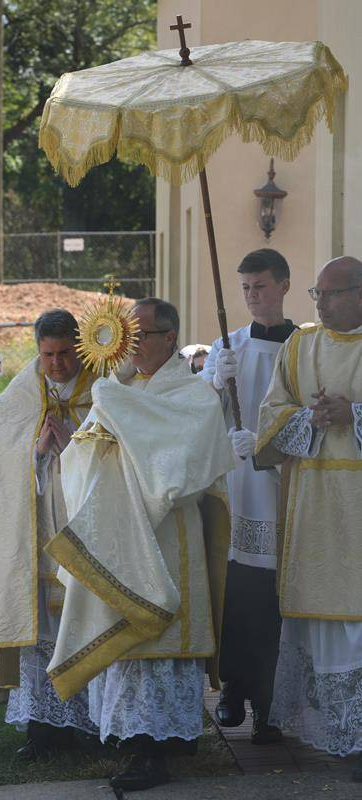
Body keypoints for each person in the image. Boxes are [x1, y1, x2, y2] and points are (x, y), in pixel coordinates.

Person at [45, 298, 234, 791]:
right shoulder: (121, 392)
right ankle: (138, 743)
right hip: (118, 534)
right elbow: (82, 456)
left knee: (161, 638)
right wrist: (97, 438)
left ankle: (159, 747)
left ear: (169, 338)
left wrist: (116, 408)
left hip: (169, 536)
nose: (132, 344)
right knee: (128, 633)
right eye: (127, 335)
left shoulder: (193, 394)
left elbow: (179, 468)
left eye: (141, 335)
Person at [0, 308, 98, 760]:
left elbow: (121, 451)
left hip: (86, 534)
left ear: (78, 347)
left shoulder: (101, 389)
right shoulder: (25, 390)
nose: (56, 363)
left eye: (64, 353)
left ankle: (96, 725)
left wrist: (75, 439)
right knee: (42, 632)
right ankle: (43, 730)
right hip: (37, 539)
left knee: (86, 627)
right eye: (47, 354)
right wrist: (36, 450)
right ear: (37, 350)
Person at [255, 256, 362, 781]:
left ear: (361, 293)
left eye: (332, 294)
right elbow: (270, 415)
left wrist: (356, 415)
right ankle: (341, 736)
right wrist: (309, 419)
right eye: (317, 295)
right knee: (327, 627)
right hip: (315, 508)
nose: (320, 304)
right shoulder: (300, 345)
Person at [201, 249, 297, 744]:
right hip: (238, 491)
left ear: (283, 285)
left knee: (274, 605)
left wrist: (266, 446)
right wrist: (214, 383)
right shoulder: (228, 345)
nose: (252, 296)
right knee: (236, 597)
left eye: (260, 285)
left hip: (285, 492)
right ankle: (233, 690)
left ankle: (270, 705)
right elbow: (193, 414)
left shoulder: (305, 348)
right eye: (244, 288)